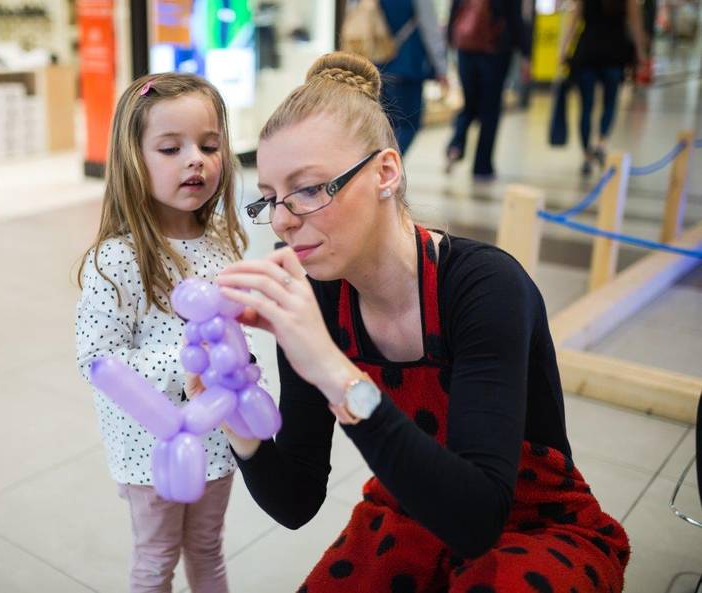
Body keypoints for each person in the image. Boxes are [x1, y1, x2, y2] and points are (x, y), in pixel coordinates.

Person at [218, 52, 630, 592]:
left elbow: (478, 520)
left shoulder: (483, 286)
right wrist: (241, 430)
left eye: (311, 188)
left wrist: (328, 365)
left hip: (534, 521)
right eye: (270, 198)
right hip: (407, 505)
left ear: (386, 172)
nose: (282, 220)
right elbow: (296, 501)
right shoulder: (318, 293)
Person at [75, 73, 248, 593]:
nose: (195, 158)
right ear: (134, 161)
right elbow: (96, 358)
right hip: (147, 447)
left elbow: (230, 335)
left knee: (207, 549)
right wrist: (188, 359)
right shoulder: (117, 259)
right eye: (171, 148)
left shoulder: (222, 245)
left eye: (209, 145)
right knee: (155, 559)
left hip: (218, 438)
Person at [444, 0, 532, 180]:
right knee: (490, 110)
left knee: (469, 103)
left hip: (466, 48)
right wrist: (526, 54)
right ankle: (482, 167)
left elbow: (454, 10)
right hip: (495, 51)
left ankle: (456, 145)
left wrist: (449, 41)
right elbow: (515, 18)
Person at [559, 0, 647, 176]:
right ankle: (601, 143)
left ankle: (586, 155)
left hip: (587, 52)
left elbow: (573, 21)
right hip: (614, 53)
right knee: (610, 103)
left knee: (586, 107)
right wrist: (640, 52)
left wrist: (563, 49)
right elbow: (636, 24)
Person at [376, 0, 449, 155]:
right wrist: (441, 68)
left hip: (377, 65)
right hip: (407, 66)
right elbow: (431, 30)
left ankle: (378, 168)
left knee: (386, 124)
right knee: (408, 124)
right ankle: (385, 168)